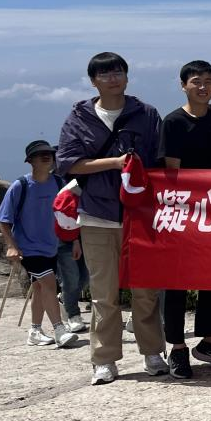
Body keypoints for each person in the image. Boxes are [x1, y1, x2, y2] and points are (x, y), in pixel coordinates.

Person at [56, 52, 168, 385]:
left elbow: (160, 160)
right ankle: (104, 359)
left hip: (141, 215)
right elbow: (68, 163)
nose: (112, 78)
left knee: (146, 291)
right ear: (93, 81)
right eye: (104, 74)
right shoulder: (79, 118)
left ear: (127, 76)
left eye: (118, 72)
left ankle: (152, 353)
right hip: (97, 215)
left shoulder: (146, 114)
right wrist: (115, 163)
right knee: (104, 294)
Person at [159, 60, 211, 379]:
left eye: (209, 81)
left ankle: (209, 342)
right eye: (196, 81)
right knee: (177, 282)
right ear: (183, 85)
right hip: (183, 210)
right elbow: (172, 172)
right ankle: (177, 348)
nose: (203, 87)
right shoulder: (173, 122)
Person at [0, 141, 80, 349]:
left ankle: (35, 331)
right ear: (30, 160)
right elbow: (3, 220)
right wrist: (11, 246)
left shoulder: (59, 183)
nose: (47, 157)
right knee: (49, 284)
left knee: (40, 288)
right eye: (40, 154)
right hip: (28, 248)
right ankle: (60, 330)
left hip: (52, 246)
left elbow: (68, 215)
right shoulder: (20, 186)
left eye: (49, 154)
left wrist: (75, 240)